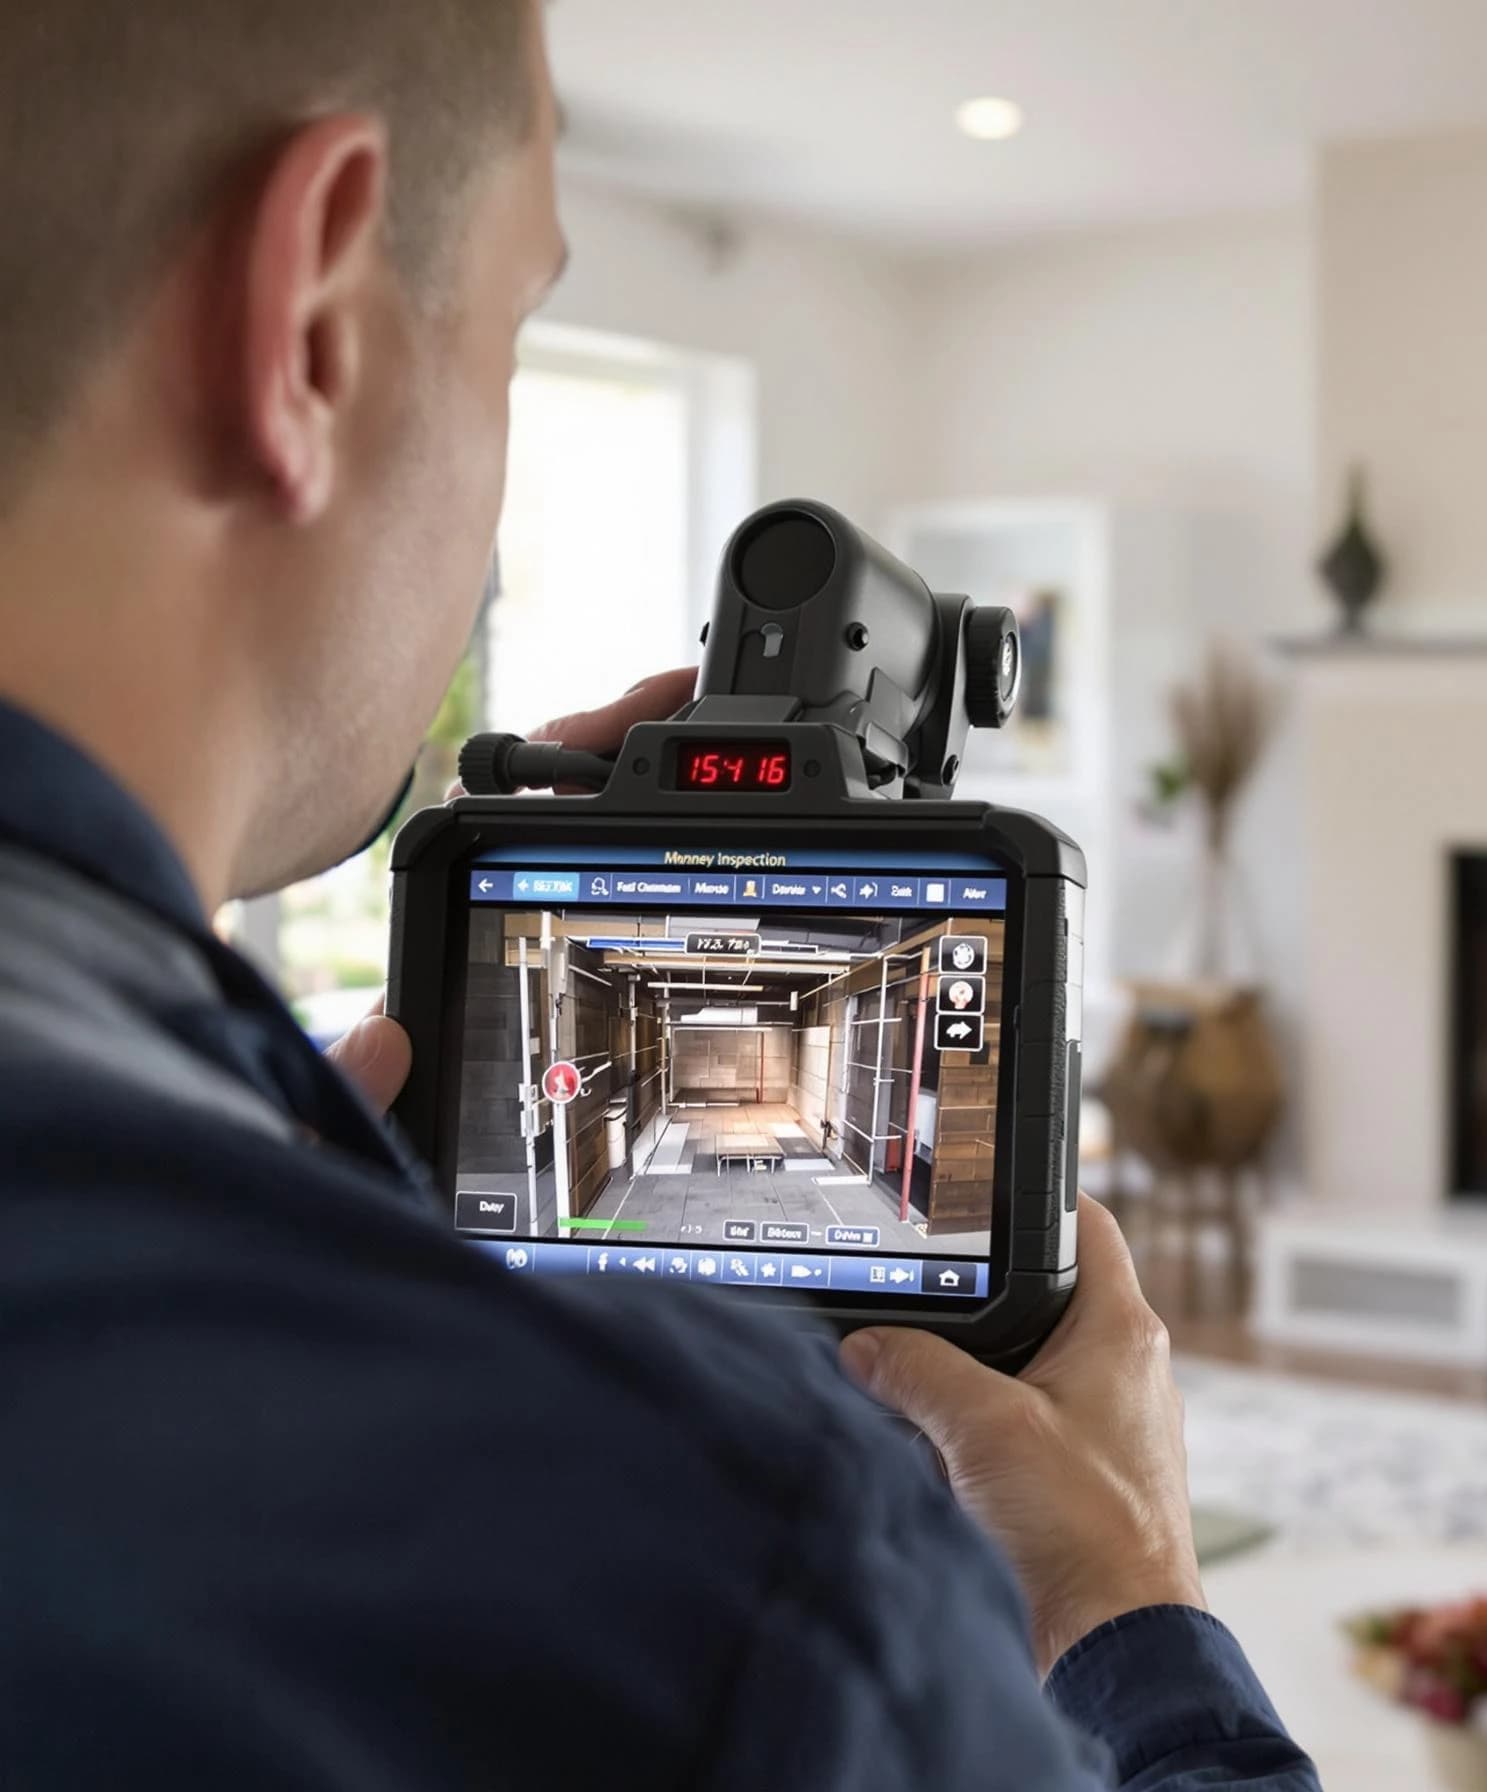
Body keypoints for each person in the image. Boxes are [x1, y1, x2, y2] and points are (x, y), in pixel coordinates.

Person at [0, 5, 1318, 1786]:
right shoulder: (736, 1575)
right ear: (308, 317)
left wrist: (250, 1169)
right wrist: (1130, 1603)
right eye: (516, 324)